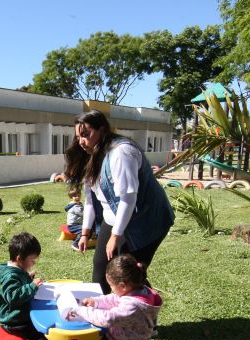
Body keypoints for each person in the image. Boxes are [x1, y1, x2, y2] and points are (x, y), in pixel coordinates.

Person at [65, 109, 174, 294]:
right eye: (78, 137)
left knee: (128, 275)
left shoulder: (122, 152)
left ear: (102, 130)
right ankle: (108, 316)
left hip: (145, 221)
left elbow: (128, 198)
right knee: (101, 270)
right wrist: (84, 234)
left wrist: (115, 236)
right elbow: (91, 200)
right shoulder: (93, 156)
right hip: (115, 218)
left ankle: (144, 314)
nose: (81, 142)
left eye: (86, 134)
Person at [66, 254, 161, 340]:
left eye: (111, 286)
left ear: (122, 285)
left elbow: (107, 319)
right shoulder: (138, 289)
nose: (111, 289)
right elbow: (114, 298)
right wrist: (95, 301)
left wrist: (81, 310)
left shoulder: (132, 307)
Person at [0, 232, 53, 340]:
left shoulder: (18, 270)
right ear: (20, 259)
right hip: (13, 320)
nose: (34, 263)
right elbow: (12, 296)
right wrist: (31, 286)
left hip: (20, 315)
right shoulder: (10, 275)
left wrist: (28, 277)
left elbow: (19, 282)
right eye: (32, 260)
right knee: (39, 332)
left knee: (41, 329)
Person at [64, 185, 84, 251]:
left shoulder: (79, 204)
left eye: (79, 195)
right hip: (73, 226)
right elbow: (83, 214)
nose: (77, 197)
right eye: (75, 196)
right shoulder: (74, 206)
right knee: (84, 230)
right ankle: (75, 243)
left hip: (77, 224)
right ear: (71, 197)